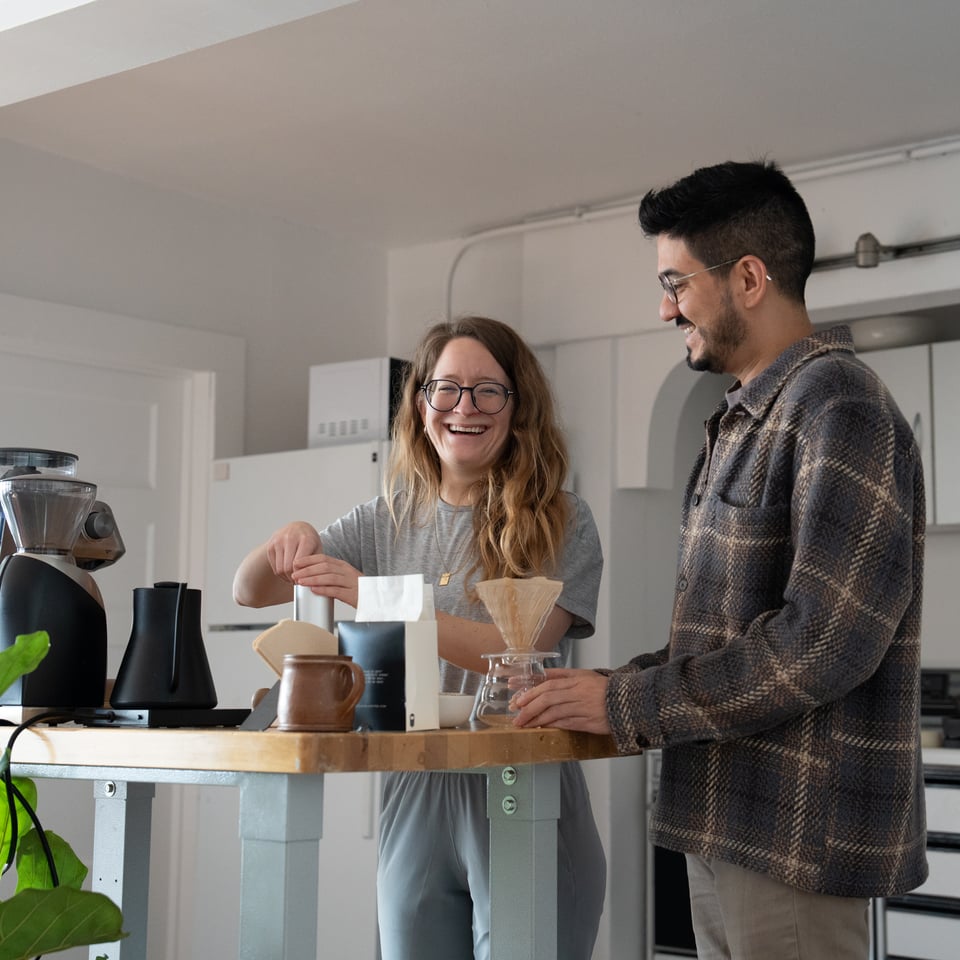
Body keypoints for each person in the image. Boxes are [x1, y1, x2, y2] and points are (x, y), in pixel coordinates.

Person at [514, 160, 928, 960]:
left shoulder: (838, 406)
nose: (664, 307)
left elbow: (820, 646)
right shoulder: (741, 420)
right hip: (730, 823)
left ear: (747, 278)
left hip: (792, 838)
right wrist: (613, 687)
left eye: (676, 282)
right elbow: (725, 638)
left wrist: (630, 709)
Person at [233, 315, 606, 960]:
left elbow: (514, 649)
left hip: (522, 777)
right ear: (420, 402)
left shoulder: (563, 520)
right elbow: (249, 590)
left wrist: (377, 597)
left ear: (519, 408)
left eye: (489, 389)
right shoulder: (386, 518)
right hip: (414, 781)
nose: (465, 407)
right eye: (446, 388)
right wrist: (288, 536)